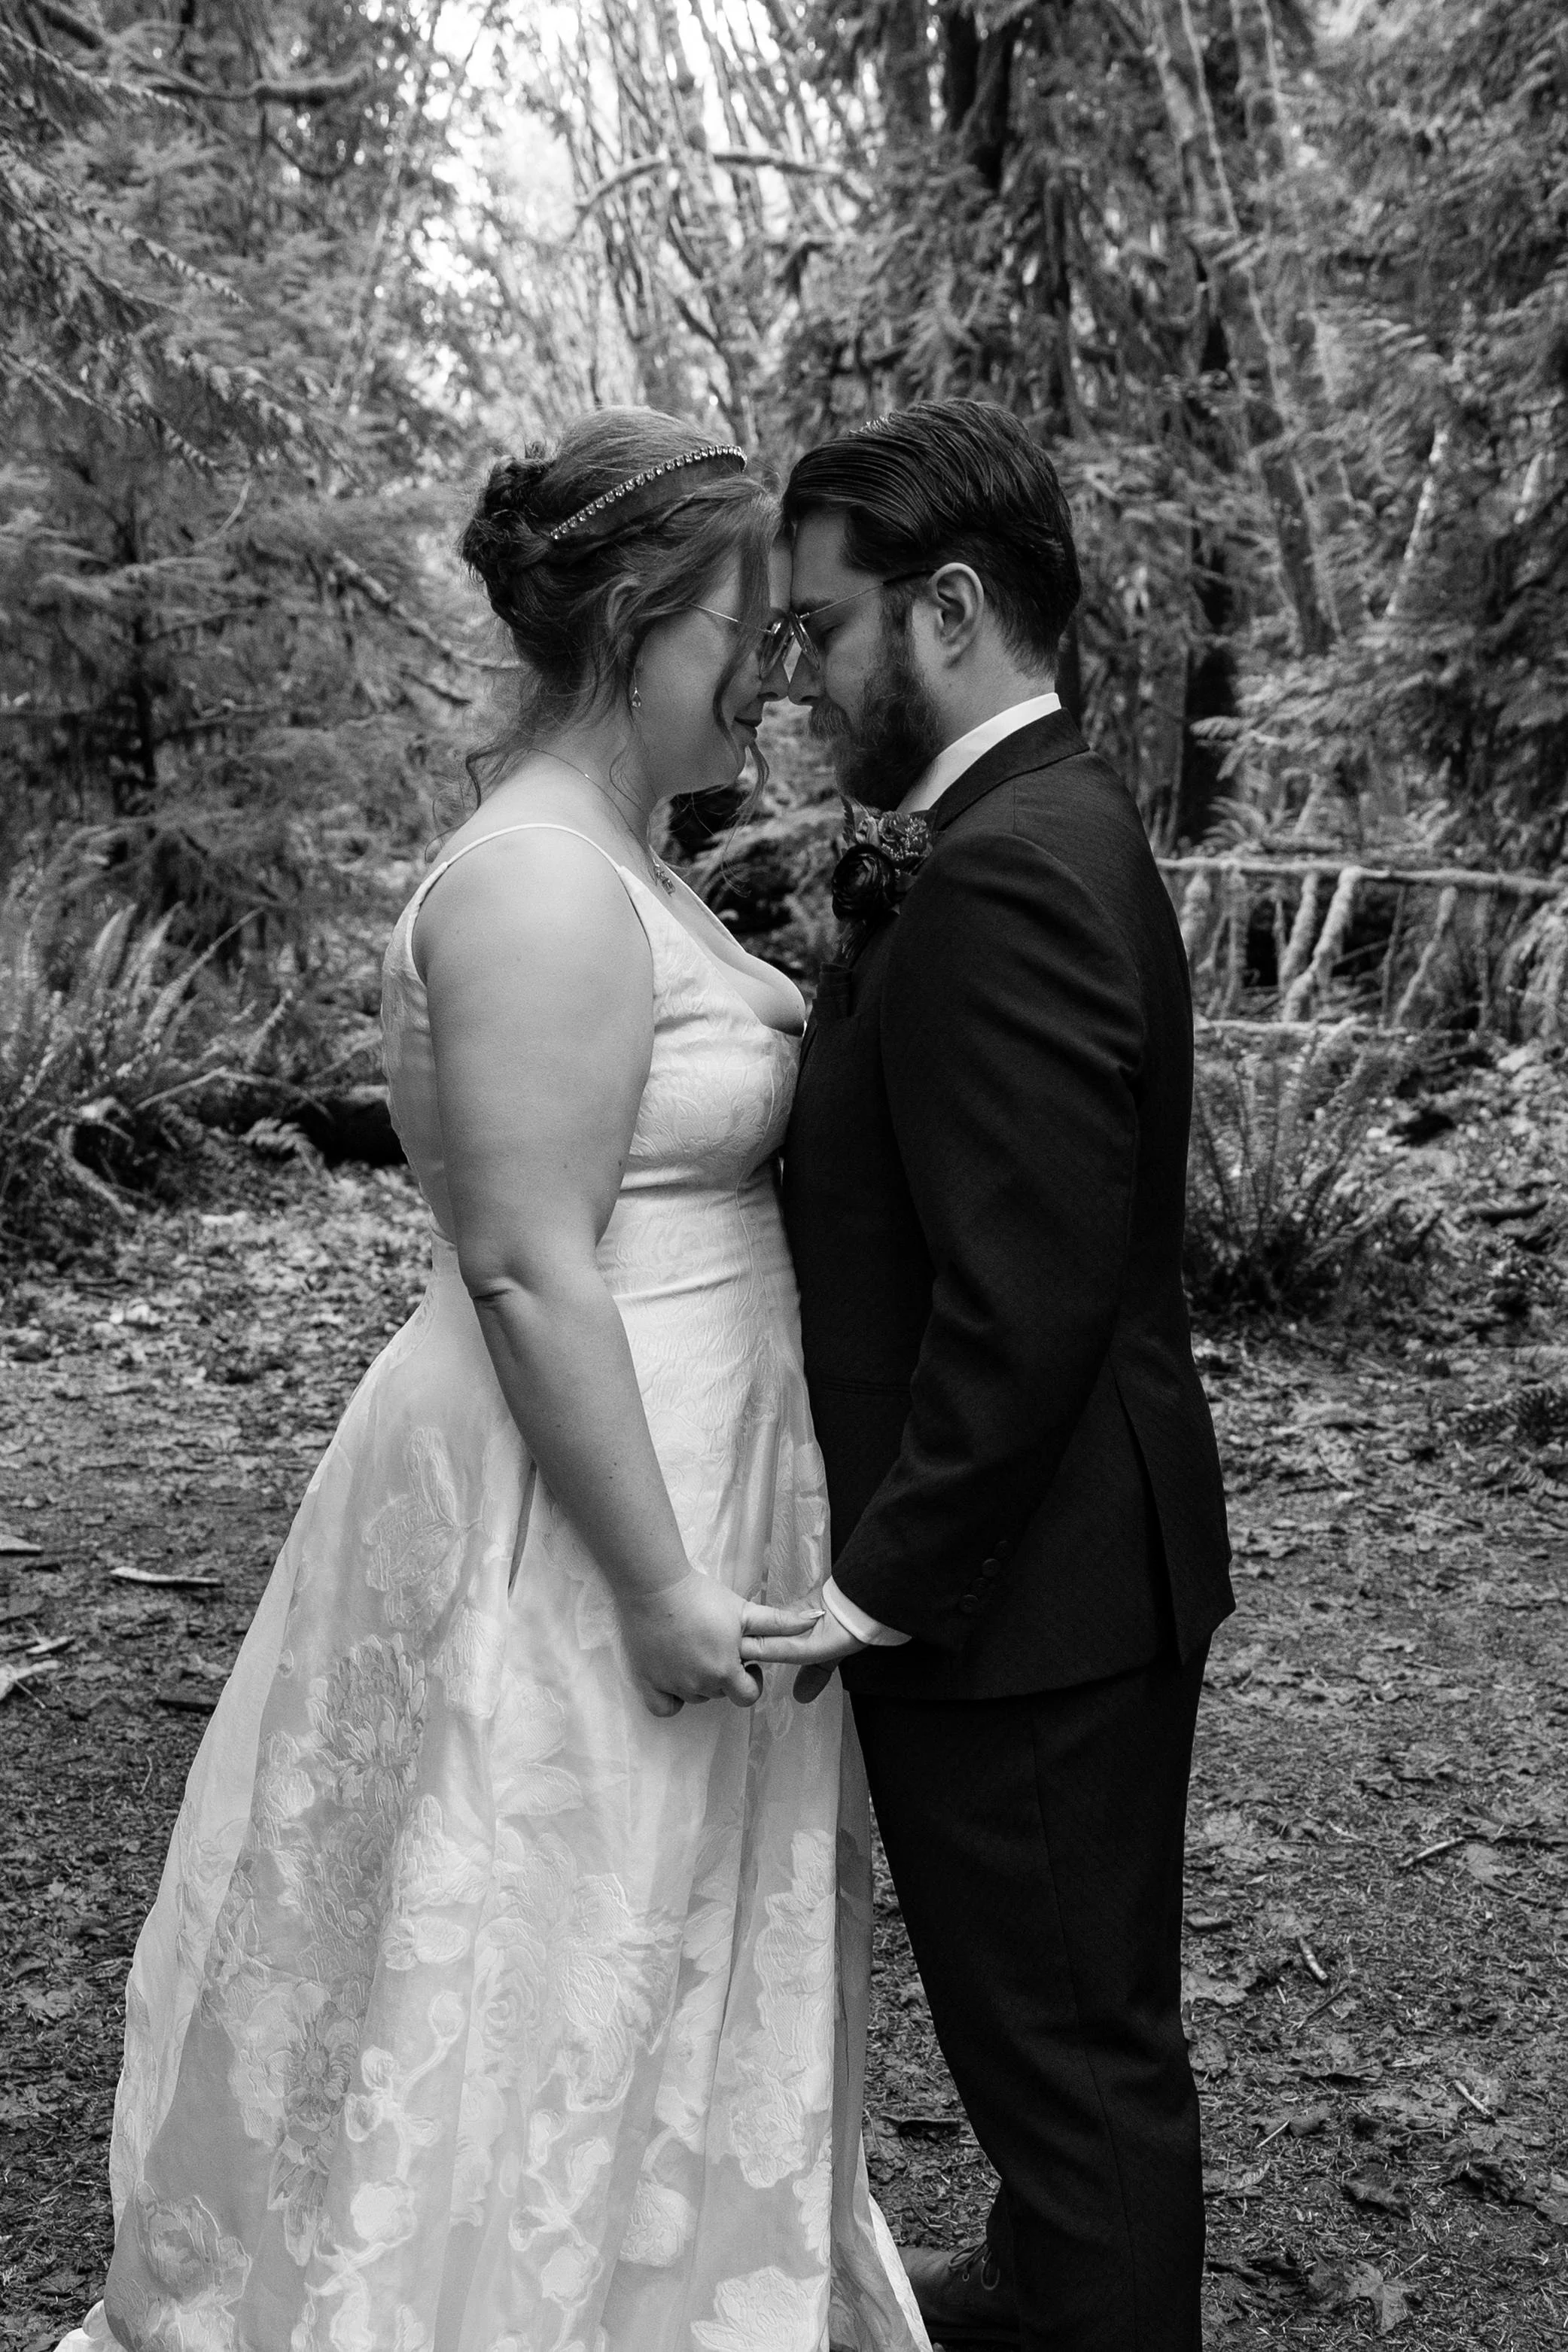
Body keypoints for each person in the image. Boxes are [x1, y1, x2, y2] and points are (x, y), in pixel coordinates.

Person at [59, 411, 928, 2352]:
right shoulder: (538, 882)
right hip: (573, 1508)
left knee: (617, 1948)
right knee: (542, 1933)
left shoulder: (622, 854)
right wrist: (658, 1582)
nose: (775, 672)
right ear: (637, 623)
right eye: (747, 628)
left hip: (665, 1453)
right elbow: (533, 1265)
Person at [744, 401, 1235, 2352]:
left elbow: (1023, 1298)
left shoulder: (1008, 869)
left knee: (1078, 2066)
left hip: (1021, 1601)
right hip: (1066, 1574)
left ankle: (1085, 2280)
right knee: (1074, 2027)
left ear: (946, 610)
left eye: (821, 624)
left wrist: (883, 1577)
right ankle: (1044, 2282)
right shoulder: (1049, 820)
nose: (798, 671)